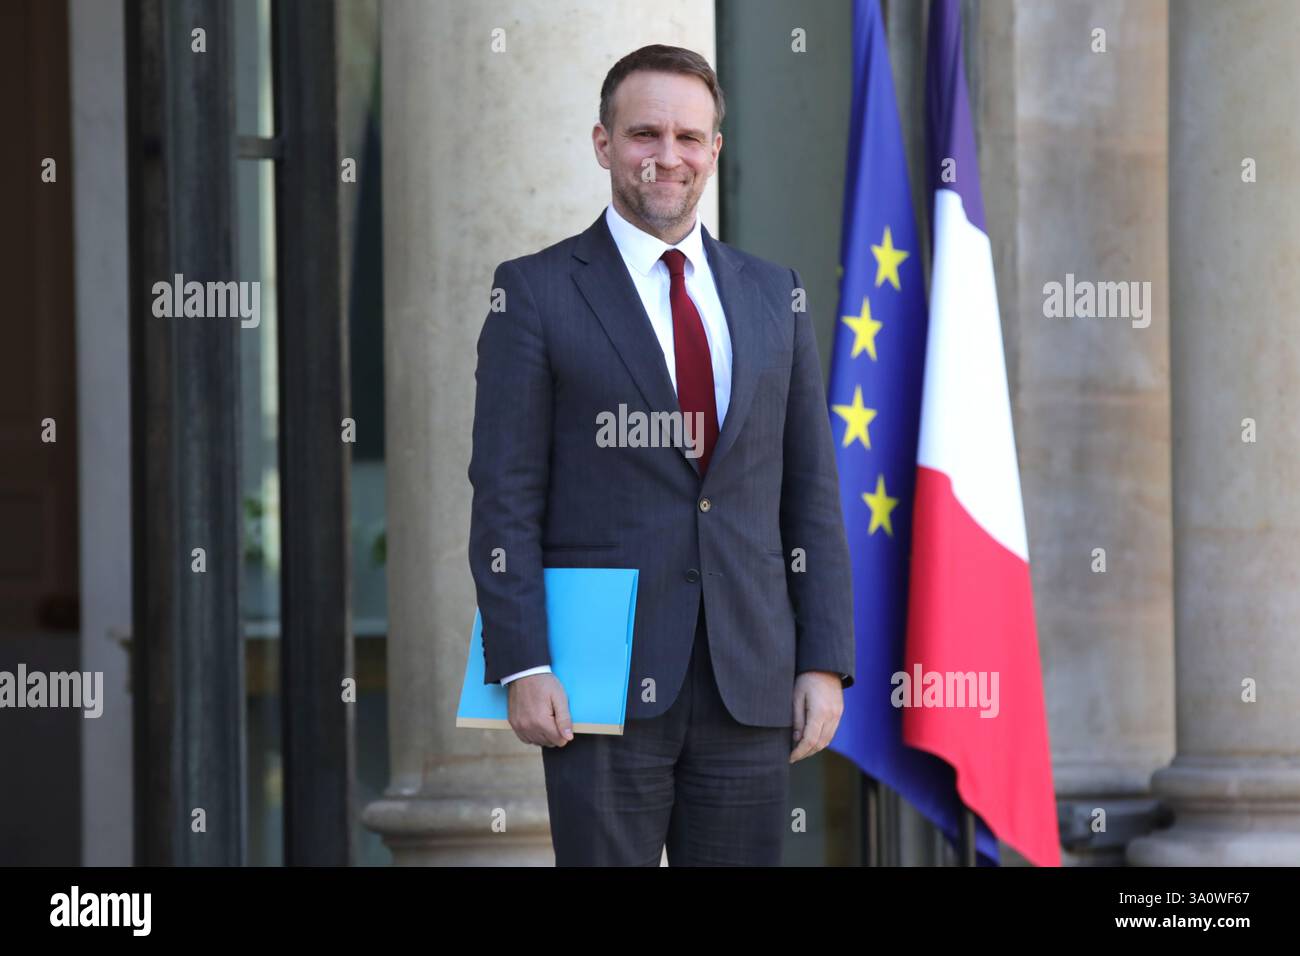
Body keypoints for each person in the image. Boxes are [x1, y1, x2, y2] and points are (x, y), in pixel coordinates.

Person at [467, 44, 854, 866]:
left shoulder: (773, 293)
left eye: (688, 136)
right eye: (645, 134)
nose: (666, 156)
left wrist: (824, 659)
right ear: (604, 143)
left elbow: (811, 491)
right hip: (598, 681)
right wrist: (522, 662)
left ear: (716, 149)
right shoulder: (535, 292)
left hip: (748, 677)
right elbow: (504, 491)